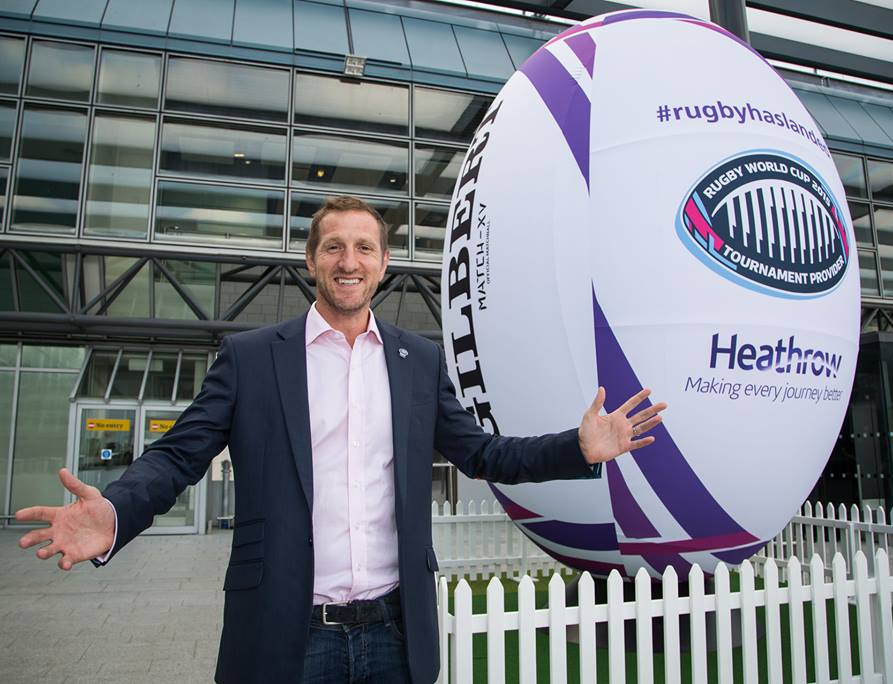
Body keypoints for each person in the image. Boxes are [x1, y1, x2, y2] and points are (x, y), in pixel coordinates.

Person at [16, 195, 667, 684]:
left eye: (363, 248)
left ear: (383, 264)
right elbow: (178, 455)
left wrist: (578, 448)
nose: (348, 262)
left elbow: (482, 453)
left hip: (394, 633)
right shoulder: (251, 358)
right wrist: (116, 510)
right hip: (286, 633)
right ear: (311, 261)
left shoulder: (417, 361)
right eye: (333, 247)